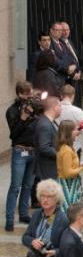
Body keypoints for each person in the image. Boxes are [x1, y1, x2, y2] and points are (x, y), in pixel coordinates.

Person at [5, 81, 37, 231]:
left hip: (33, 151)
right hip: (20, 151)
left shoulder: (34, 107)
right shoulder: (12, 110)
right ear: (19, 93)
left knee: (28, 185)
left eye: (30, 92)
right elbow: (14, 135)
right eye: (26, 93)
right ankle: (10, 219)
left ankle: (24, 214)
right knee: (15, 186)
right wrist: (23, 118)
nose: (29, 96)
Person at [56, 120, 83, 213]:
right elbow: (68, 172)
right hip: (67, 184)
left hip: (68, 182)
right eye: (75, 130)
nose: (78, 132)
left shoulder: (67, 147)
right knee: (69, 212)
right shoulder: (67, 150)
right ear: (68, 132)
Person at [34, 96, 62, 182]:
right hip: (47, 170)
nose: (61, 109)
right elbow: (44, 147)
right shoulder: (44, 124)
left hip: (49, 169)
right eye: (60, 106)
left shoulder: (47, 121)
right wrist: (61, 155)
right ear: (55, 108)